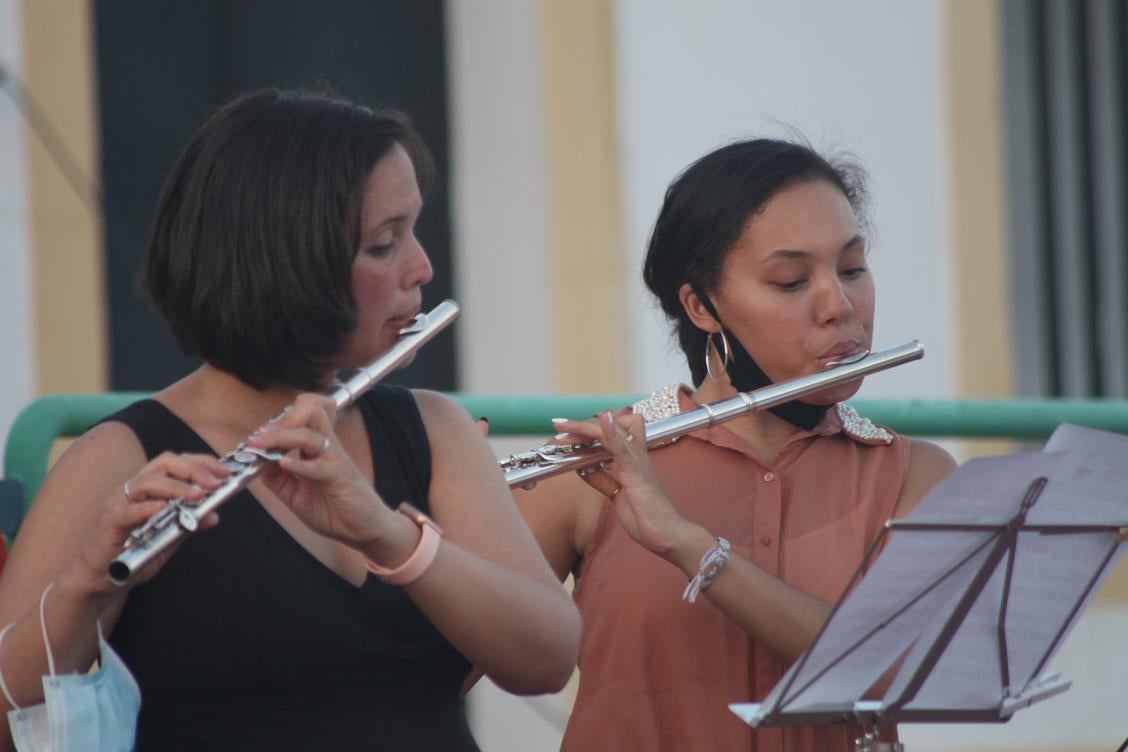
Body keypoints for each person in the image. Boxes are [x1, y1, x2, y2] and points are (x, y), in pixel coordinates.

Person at [0, 88, 580, 751]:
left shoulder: (434, 431)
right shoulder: (118, 459)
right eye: (385, 244)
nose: (422, 267)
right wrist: (86, 587)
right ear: (286, 261)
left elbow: (548, 657)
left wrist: (391, 538)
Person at [515, 138, 957, 751]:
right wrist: (421, 519)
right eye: (791, 280)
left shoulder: (914, 475)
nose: (839, 305)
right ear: (701, 306)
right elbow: (433, 671)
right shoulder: (589, 473)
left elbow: (889, 670)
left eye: (852, 269)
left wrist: (690, 545)